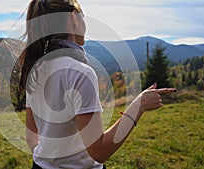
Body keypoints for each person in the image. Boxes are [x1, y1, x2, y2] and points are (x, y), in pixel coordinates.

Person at [19, 0, 177, 168]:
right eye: (83, 18)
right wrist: (139, 105)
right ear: (73, 18)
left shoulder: (35, 69)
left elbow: (31, 138)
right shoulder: (79, 73)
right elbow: (99, 151)